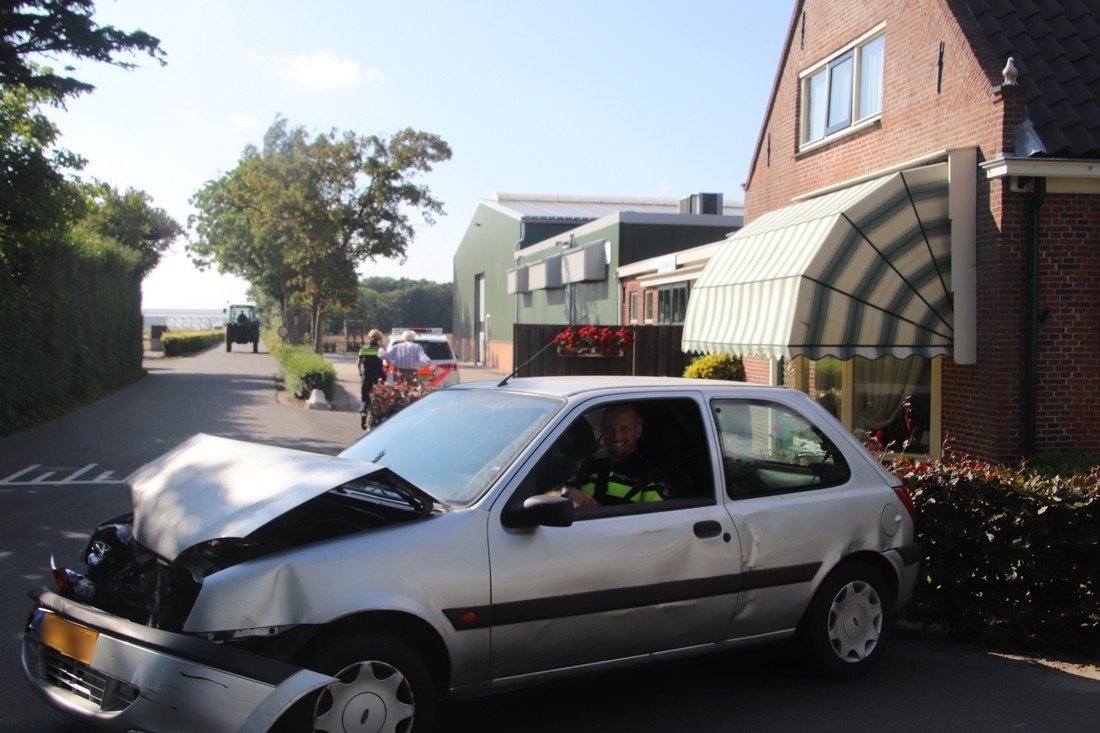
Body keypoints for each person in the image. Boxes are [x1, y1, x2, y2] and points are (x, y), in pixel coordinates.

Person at [559, 403, 683, 509]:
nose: (617, 437)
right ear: (602, 431)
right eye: (610, 429)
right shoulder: (590, 465)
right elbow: (549, 498)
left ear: (638, 431)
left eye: (624, 429)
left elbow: (658, 526)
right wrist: (567, 492)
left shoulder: (651, 475)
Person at [357, 329, 386, 429]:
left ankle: (363, 414)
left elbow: (358, 363)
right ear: (379, 338)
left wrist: (360, 373)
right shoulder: (381, 350)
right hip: (378, 377)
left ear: (369, 338)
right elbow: (388, 363)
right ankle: (376, 418)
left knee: (365, 398)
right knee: (378, 398)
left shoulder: (363, 349)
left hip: (367, 376)